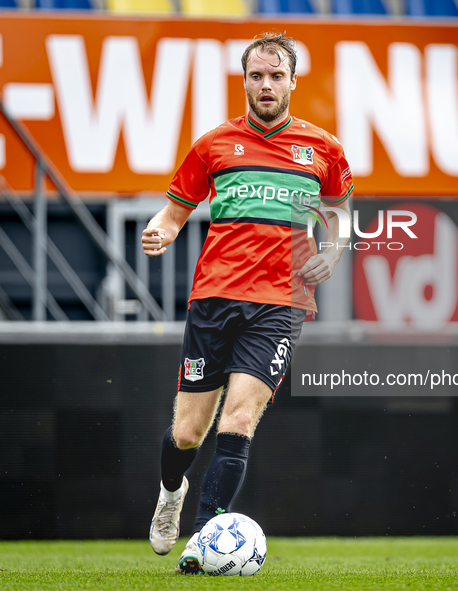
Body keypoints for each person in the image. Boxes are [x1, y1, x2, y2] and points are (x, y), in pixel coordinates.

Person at [141, 31, 353, 575]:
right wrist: (159, 231)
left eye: (275, 76)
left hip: (281, 303)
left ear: (292, 82)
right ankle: (171, 492)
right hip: (213, 299)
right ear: (244, 80)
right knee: (188, 432)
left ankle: (201, 540)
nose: (266, 85)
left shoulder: (323, 148)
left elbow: (340, 213)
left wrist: (330, 254)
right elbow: (172, 213)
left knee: (238, 419)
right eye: (256, 76)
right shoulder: (213, 144)